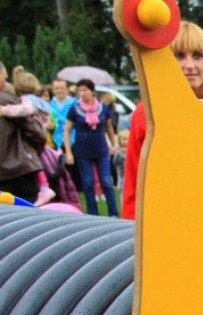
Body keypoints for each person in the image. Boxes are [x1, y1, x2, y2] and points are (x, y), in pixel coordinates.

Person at [123, 20, 203, 219]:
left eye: (197, 55)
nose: (189, 65)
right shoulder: (145, 115)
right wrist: (131, 230)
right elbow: (135, 185)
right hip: (167, 220)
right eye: (179, 55)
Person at [0, 66, 57, 205]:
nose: (5, 83)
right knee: (26, 210)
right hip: (19, 168)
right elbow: (36, 133)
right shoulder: (9, 101)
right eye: (4, 78)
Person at [63, 78, 118, 217]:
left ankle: (113, 212)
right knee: (88, 183)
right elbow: (67, 130)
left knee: (106, 181)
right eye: (80, 90)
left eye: (85, 90)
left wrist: (113, 144)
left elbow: (109, 127)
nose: (82, 93)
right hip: (83, 150)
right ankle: (92, 213)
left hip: (101, 149)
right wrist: (68, 152)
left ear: (92, 91)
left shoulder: (103, 108)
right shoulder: (74, 110)